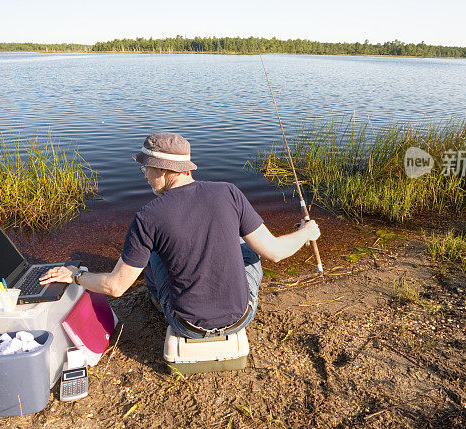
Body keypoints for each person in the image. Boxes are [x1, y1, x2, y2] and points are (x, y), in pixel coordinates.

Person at [39, 132, 320, 339]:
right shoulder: (229, 192)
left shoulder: (148, 216)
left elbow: (115, 287)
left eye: (146, 169)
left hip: (187, 325)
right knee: (248, 249)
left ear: (163, 170)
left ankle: (156, 298)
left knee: (153, 258)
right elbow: (276, 252)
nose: (145, 176)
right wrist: (306, 232)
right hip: (240, 318)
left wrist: (75, 275)